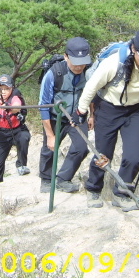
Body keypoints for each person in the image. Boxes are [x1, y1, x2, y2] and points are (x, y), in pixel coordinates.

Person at [76, 26, 139, 209]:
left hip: (135, 110)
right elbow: (91, 86)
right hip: (108, 109)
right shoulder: (114, 63)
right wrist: (81, 111)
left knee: (133, 157)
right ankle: (94, 188)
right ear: (134, 49)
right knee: (103, 154)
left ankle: (122, 193)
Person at [38, 37, 94, 193]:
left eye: (82, 62)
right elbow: (43, 105)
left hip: (78, 115)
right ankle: (46, 179)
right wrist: (50, 135)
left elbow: (91, 93)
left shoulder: (88, 72)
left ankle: (63, 178)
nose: (79, 66)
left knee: (81, 148)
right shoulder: (54, 73)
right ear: (66, 57)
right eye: (75, 62)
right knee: (50, 147)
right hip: (55, 117)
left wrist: (92, 115)